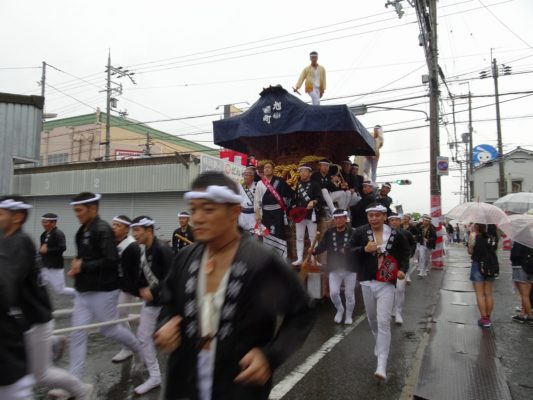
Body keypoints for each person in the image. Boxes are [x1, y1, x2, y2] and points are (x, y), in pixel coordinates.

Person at [154, 171, 316, 400]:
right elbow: (168, 301)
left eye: (208, 210)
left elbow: (302, 312)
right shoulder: (185, 258)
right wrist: (165, 323)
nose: (197, 218)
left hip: (238, 382)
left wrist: (269, 357)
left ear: (234, 212)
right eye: (194, 210)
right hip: (186, 379)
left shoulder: (262, 261)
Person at [0, 196, 93, 400]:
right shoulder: (10, 240)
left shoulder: (18, 242)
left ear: (17, 217)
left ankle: (81, 391)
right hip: (25, 320)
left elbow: (6, 287)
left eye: (1, 214)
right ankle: (51, 343)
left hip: (35, 319)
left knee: (40, 374)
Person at [67, 192, 145, 379]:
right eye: (75, 210)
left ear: (93, 209)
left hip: (103, 290)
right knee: (77, 335)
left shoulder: (102, 230)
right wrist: (77, 267)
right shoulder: (82, 230)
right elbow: (84, 257)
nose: (76, 214)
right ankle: (73, 382)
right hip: (83, 291)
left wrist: (83, 265)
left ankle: (137, 348)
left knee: (109, 329)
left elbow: (111, 260)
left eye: (79, 210)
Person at [346, 203, 409, 381]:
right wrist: (363, 249)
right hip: (367, 281)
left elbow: (405, 253)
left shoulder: (396, 234)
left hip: (387, 283)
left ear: (384, 216)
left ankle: (381, 364)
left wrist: (402, 269)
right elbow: (348, 250)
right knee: (372, 320)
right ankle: (378, 344)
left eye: (377, 215)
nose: (374, 218)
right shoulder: (359, 232)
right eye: (371, 215)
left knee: (383, 322)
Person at [130, 216, 173, 394]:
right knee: (143, 335)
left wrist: (152, 291)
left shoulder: (163, 249)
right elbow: (143, 275)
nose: (134, 234)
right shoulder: (144, 250)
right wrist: (140, 289)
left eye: (137, 230)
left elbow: (172, 277)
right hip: (153, 301)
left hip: (166, 302)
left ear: (149, 230)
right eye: (134, 230)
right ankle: (155, 375)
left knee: (171, 342)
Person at [313, 209, 356, 324]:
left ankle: (349, 315)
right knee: (333, 293)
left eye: (341, 218)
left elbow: (360, 248)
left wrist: (349, 250)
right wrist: (314, 251)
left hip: (350, 268)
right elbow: (322, 246)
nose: (338, 220)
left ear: (346, 219)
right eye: (336, 218)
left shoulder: (353, 232)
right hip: (334, 267)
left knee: (349, 294)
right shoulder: (329, 232)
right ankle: (340, 309)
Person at [110, 215, 141, 364]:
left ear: (126, 229)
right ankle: (143, 320)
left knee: (120, 315)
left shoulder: (132, 246)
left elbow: (137, 270)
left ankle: (128, 347)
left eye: (118, 225)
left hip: (127, 286)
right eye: (113, 224)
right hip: (115, 284)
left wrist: (135, 289)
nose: (114, 227)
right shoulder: (113, 242)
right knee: (119, 315)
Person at [254, 160, 293, 256]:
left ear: (273, 169)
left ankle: (281, 256)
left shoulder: (279, 181)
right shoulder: (259, 183)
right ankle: (267, 257)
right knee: (266, 234)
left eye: (268, 167)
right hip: (265, 213)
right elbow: (257, 200)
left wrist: (288, 208)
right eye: (265, 168)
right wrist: (258, 213)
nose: (266, 169)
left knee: (279, 233)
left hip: (278, 213)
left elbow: (289, 194)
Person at [291, 164, 323, 266]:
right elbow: (295, 199)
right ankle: (299, 258)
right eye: (301, 171)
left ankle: (315, 259)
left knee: (313, 238)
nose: (302, 173)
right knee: (299, 237)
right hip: (299, 215)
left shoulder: (315, 184)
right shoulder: (298, 184)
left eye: (305, 171)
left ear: (310, 173)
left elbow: (319, 198)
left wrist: (313, 201)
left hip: (311, 214)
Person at [388, 213, 416, 324]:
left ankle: (398, 312)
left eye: (396, 220)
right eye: (392, 220)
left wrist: (410, 255)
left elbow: (413, 244)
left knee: (400, 289)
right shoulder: (384, 233)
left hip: (401, 266)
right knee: (388, 290)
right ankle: (391, 310)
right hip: (388, 266)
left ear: (400, 221)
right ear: (389, 222)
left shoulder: (406, 233)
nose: (394, 222)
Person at [39, 213, 76, 297]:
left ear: (53, 223)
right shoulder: (43, 235)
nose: (43, 224)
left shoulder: (58, 234)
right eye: (43, 222)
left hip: (55, 267)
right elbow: (42, 250)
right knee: (37, 286)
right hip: (44, 266)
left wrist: (48, 250)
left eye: (46, 222)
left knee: (60, 290)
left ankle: (79, 294)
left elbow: (62, 248)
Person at [469, 223, 498, 328]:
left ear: (477, 226)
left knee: (480, 294)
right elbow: (493, 251)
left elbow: (470, 251)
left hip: (478, 265)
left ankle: (484, 319)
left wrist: (471, 242)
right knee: (489, 293)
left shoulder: (474, 236)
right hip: (490, 265)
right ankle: (488, 317)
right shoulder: (493, 237)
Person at [510, 241, 533, 324]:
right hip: (531, 268)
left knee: (524, 295)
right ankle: (522, 314)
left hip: (520, 267)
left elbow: (515, 254)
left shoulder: (519, 240)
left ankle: (530, 316)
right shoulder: (530, 238)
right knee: (526, 295)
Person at [238, 167, 258, 234]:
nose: (245, 177)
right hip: (242, 215)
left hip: (253, 215)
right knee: (241, 235)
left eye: (247, 175)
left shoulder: (258, 186)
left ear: (252, 176)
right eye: (244, 174)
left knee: (253, 236)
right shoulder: (240, 186)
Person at [401, 214, 419, 282]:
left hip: (409, 247)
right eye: (404, 217)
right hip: (400, 247)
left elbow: (417, 235)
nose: (405, 218)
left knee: (408, 262)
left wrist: (414, 237)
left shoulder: (412, 227)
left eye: (406, 217)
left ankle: (407, 276)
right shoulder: (400, 225)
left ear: (409, 219)